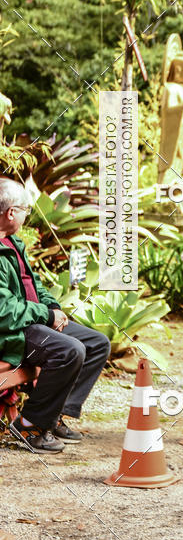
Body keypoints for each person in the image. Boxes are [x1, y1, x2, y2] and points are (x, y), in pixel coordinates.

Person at [0, 178, 110, 453]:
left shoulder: (12, 243)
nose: (28, 213)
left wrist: (54, 310)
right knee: (70, 350)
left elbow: (34, 285)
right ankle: (31, 425)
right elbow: (4, 312)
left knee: (97, 343)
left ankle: (54, 413)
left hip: (31, 320)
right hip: (11, 332)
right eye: (26, 208)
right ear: (11, 212)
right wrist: (45, 316)